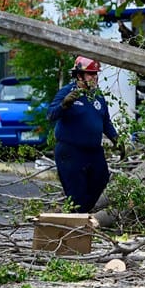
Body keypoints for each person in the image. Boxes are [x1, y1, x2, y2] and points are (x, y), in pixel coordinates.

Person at [47, 56, 123, 213]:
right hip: (70, 151)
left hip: (93, 151)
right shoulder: (67, 92)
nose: (94, 77)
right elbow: (50, 115)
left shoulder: (98, 96)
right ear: (79, 75)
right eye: (90, 74)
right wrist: (64, 104)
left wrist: (117, 140)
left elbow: (106, 122)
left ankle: (80, 214)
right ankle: (76, 223)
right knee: (77, 193)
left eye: (96, 74)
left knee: (101, 179)